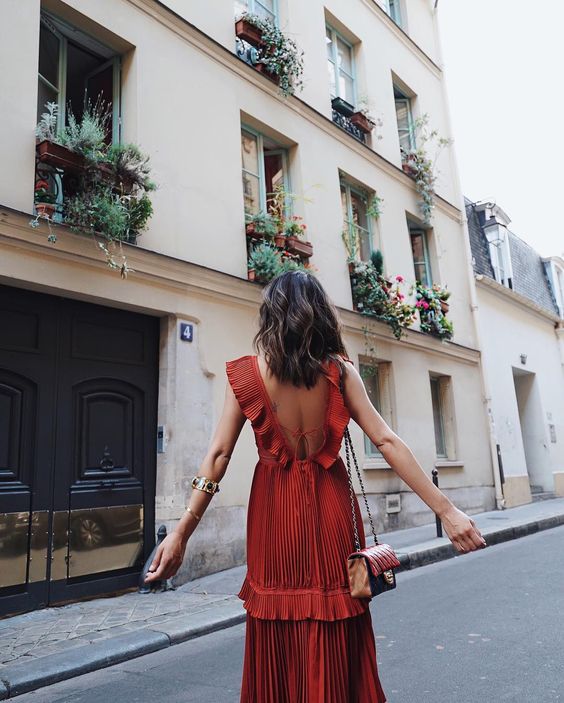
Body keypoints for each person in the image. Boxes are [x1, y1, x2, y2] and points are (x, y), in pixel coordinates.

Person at [145, 270, 486, 702]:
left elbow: (217, 459)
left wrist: (180, 533)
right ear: (320, 316)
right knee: (334, 609)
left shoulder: (247, 376)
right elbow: (385, 441)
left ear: (270, 317)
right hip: (331, 510)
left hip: (273, 515)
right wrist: (447, 511)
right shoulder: (340, 374)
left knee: (277, 615)